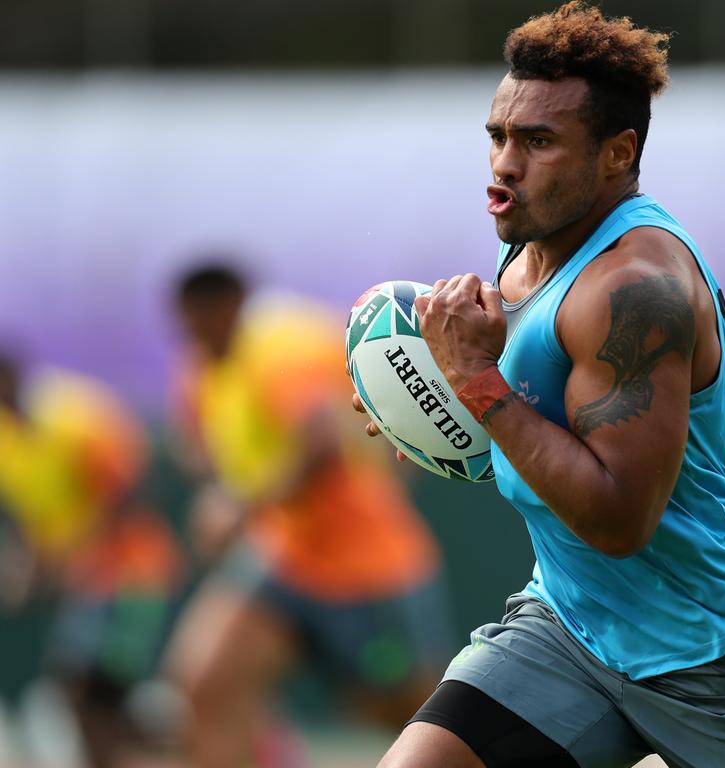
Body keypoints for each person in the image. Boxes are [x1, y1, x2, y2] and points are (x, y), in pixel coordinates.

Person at [354, 4, 725, 767]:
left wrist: (474, 382)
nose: (505, 163)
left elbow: (618, 520)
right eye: (499, 137)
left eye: (539, 142)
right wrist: (434, 400)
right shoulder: (530, 251)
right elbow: (539, 428)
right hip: (573, 629)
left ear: (618, 153)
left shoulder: (637, 288)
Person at [163, 263, 449, 768]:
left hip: (368, 568)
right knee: (204, 685)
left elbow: (319, 442)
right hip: (285, 555)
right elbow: (207, 443)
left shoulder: (278, 349)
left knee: (412, 721)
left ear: (231, 306)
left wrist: (239, 504)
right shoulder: (202, 368)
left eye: (201, 318)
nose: (192, 333)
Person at [0, 351, 181, 768]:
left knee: (99, 693)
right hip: (91, 585)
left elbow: (130, 492)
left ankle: (222, 730)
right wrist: (36, 568)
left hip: (133, 576)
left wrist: (76, 551)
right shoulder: (11, 444)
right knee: (88, 698)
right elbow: (37, 522)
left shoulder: (73, 418)